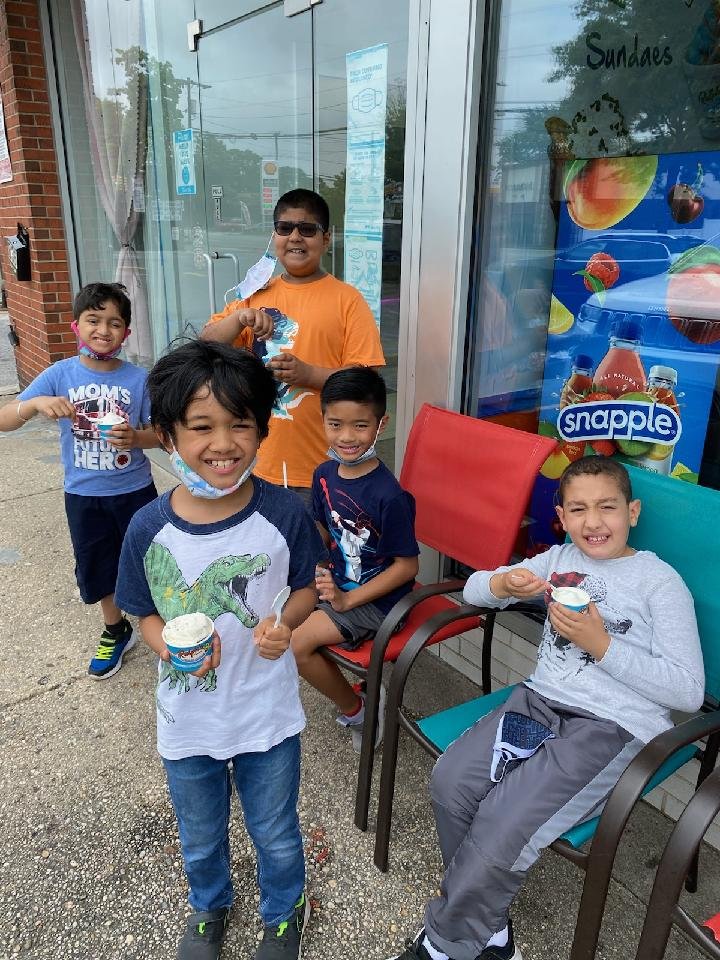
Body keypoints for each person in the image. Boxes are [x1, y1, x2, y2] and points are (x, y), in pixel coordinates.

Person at [391, 456, 704, 960]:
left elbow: (689, 692)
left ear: (634, 511)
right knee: (452, 782)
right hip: (537, 703)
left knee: (503, 819)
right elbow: (475, 588)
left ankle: (447, 943)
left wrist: (602, 644)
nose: (593, 521)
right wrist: (501, 585)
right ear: (561, 516)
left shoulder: (658, 582)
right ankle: (486, 927)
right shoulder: (556, 560)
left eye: (608, 507)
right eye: (578, 509)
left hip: (611, 726)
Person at [114, 340, 324, 960]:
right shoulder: (148, 527)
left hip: (267, 713)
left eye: (240, 424)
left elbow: (306, 592)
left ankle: (283, 914)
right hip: (188, 717)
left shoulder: (284, 513)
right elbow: (143, 609)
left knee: (277, 833)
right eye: (201, 426)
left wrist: (285, 624)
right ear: (169, 436)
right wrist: (166, 648)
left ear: (262, 429)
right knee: (200, 836)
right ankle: (209, 906)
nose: (223, 443)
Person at [0, 282, 158, 679]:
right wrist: (35, 404)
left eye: (114, 322)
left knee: (152, 561)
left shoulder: (139, 380)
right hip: (83, 494)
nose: (103, 330)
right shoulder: (59, 374)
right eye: (94, 320)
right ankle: (115, 628)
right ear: (76, 326)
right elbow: (4, 420)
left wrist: (136, 437)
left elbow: (163, 433)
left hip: (135, 490)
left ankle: (158, 627)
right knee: (97, 563)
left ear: (127, 333)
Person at [200, 188, 385, 505]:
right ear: (275, 237)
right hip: (255, 463)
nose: (296, 237)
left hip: (322, 468)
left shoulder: (347, 300)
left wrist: (308, 374)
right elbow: (206, 344)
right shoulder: (256, 294)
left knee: (314, 552)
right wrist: (240, 318)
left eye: (308, 229)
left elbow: (366, 385)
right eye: (285, 228)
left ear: (326, 239)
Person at [291, 367, 419, 752]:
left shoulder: (388, 496)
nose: (347, 437)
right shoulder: (325, 473)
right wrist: (314, 562)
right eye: (336, 424)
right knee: (272, 614)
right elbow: (323, 527)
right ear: (323, 420)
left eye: (360, 425)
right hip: (337, 583)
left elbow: (407, 567)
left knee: (297, 644)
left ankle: (358, 708)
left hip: (377, 602)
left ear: (382, 423)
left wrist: (346, 601)